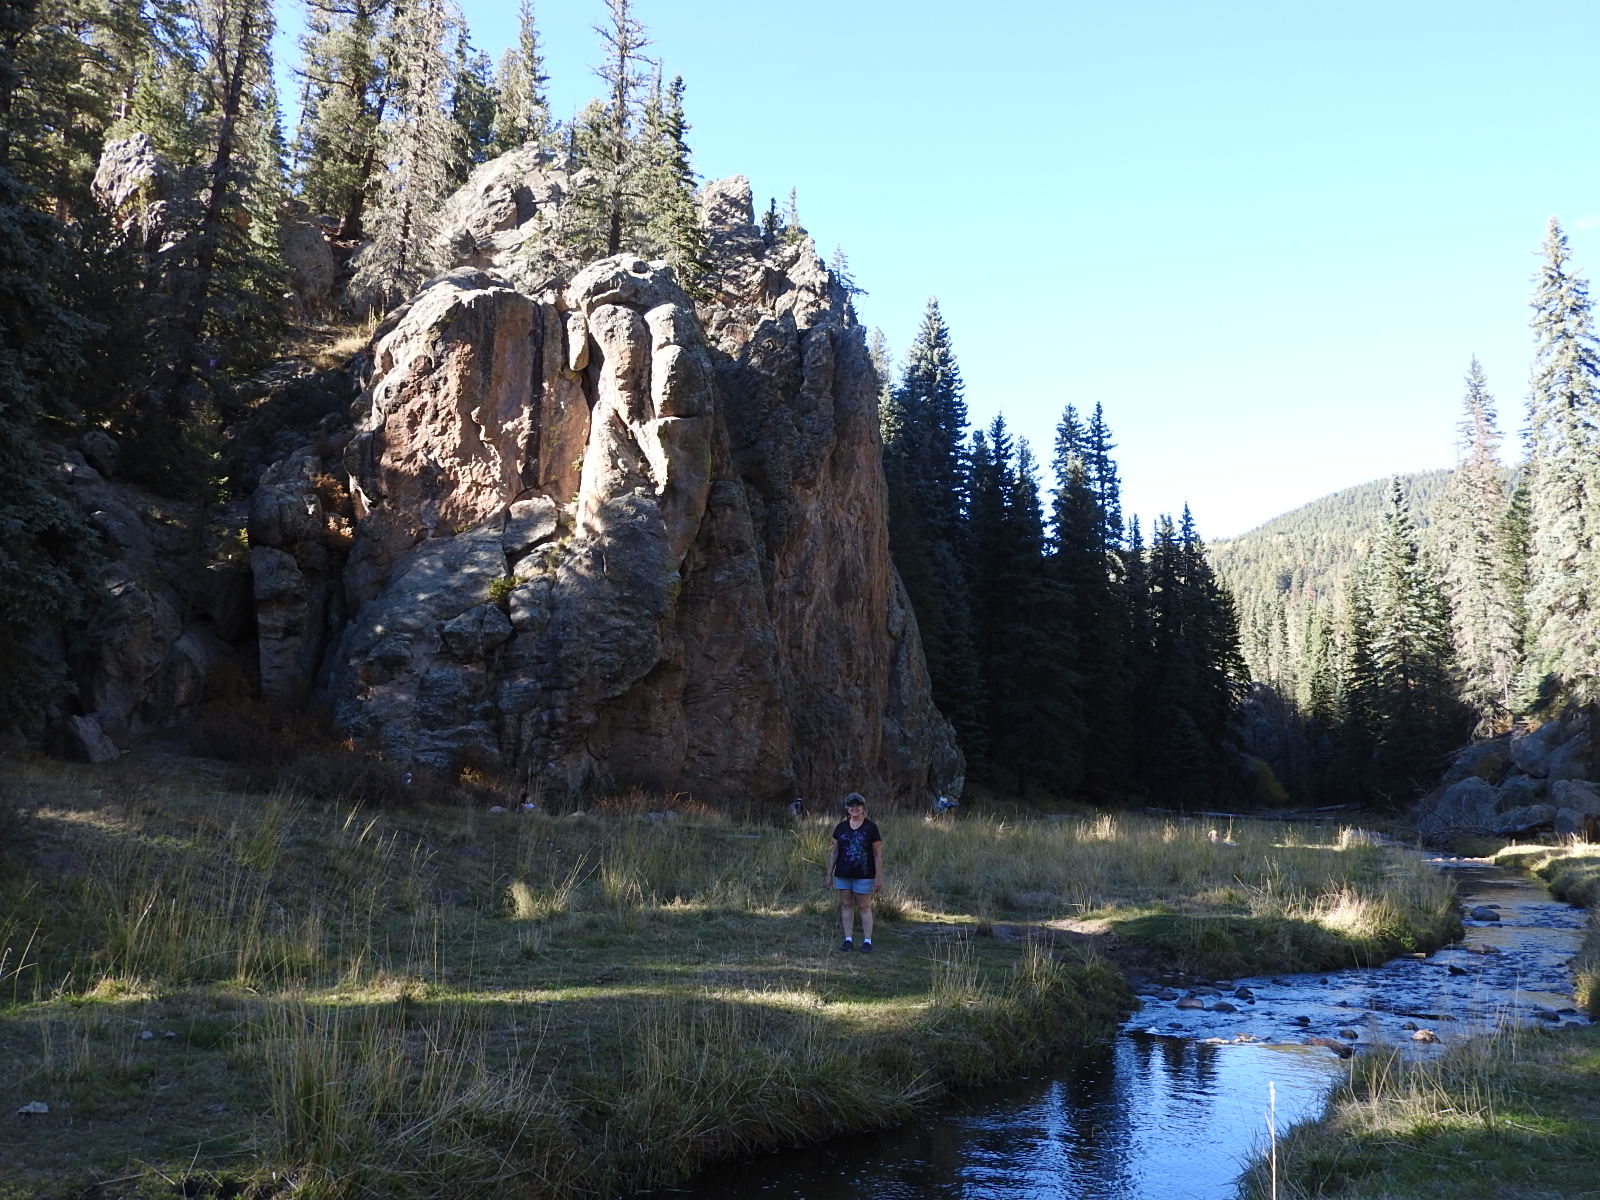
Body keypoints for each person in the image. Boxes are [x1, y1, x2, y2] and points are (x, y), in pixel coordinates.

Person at [826, 792, 883, 953]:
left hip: (864, 875)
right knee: (846, 905)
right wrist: (829, 874)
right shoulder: (840, 827)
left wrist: (879, 877)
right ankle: (848, 940)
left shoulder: (871, 828)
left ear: (863, 808)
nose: (855, 808)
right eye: (851, 805)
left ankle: (867, 941)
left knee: (864, 906)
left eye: (858, 805)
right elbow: (834, 852)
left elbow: (877, 854)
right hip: (843, 874)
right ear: (847, 808)